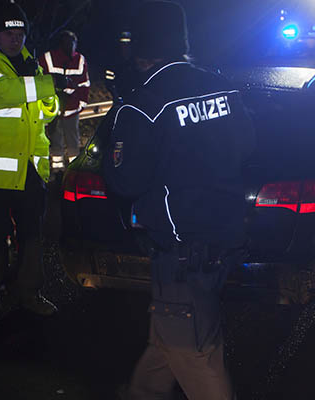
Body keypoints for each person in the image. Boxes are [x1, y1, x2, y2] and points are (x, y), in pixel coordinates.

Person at [101, 2, 255, 399]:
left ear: (141, 48)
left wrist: (115, 121)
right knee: (170, 336)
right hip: (226, 236)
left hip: (181, 251)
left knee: (195, 355)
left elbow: (124, 181)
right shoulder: (219, 84)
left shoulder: (142, 104)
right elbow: (247, 146)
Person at [0, 1, 67, 324]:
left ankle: (28, 293)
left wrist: (48, 98)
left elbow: (49, 110)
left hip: (29, 167)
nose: (15, 38)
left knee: (32, 235)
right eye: (8, 32)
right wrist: (46, 85)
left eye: (20, 32)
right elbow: (2, 94)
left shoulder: (29, 66)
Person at [39, 30, 90, 171]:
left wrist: (80, 104)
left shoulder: (80, 60)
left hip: (72, 109)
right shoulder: (48, 58)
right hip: (53, 108)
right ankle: (58, 170)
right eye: (67, 42)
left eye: (72, 43)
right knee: (56, 141)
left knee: (73, 141)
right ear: (60, 43)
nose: (70, 45)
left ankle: (74, 170)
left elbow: (84, 85)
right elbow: (39, 81)